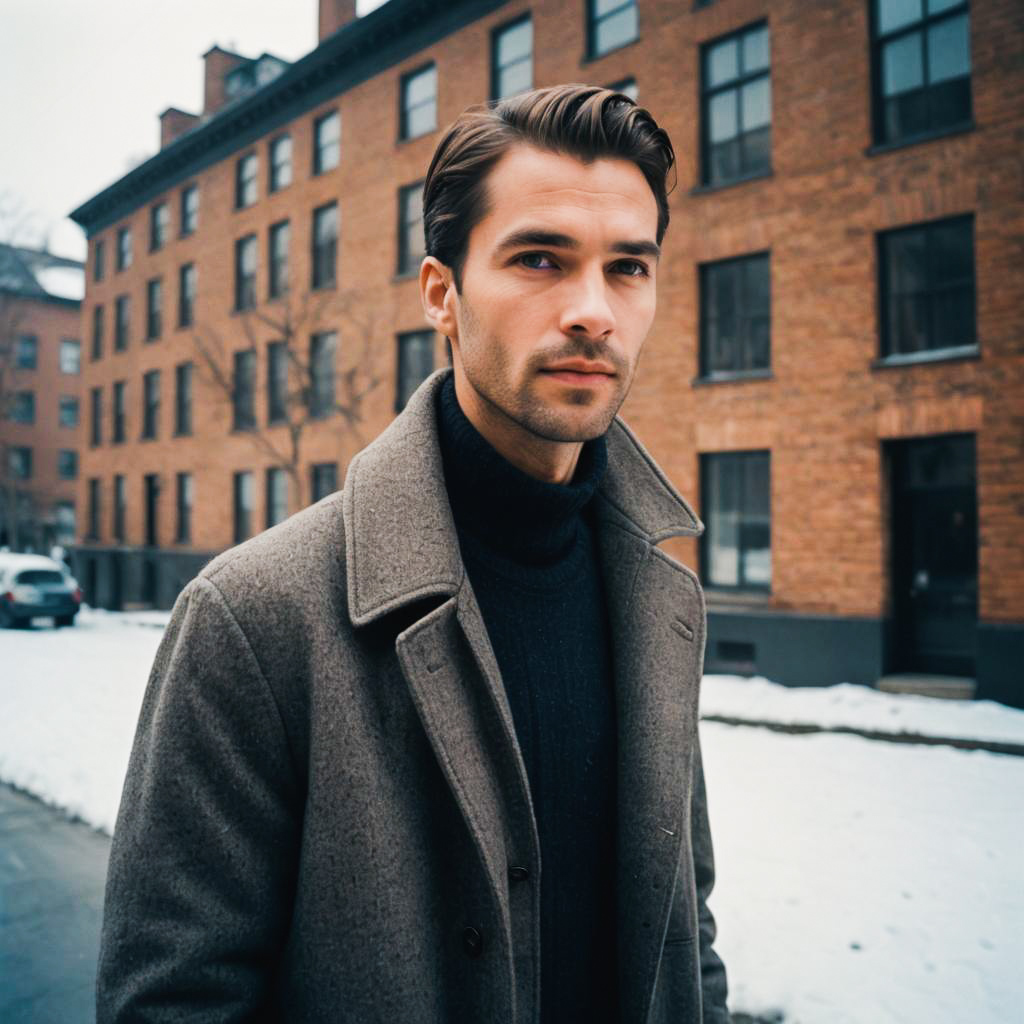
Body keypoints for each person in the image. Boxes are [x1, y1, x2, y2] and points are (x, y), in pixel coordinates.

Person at [97, 83, 730, 1023]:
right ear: (442, 293)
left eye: (627, 268)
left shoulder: (657, 591)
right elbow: (172, 1004)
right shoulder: (255, 614)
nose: (593, 311)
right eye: (540, 259)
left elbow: (687, 929)